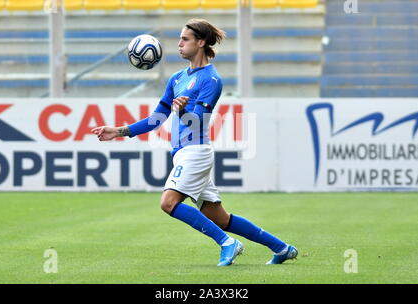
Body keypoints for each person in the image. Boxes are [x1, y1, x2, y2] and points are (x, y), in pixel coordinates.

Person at [91, 19, 297, 266]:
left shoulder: (211, 79)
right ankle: (282, 248)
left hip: (196, 152)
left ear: (200, 42)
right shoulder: (177, 78)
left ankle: (227, 243)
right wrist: (120, 131)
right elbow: (157, 118)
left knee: (168, 203)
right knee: (220, 218)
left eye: (185, 39)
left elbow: (198, 120)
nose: (178, 44)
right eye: (179, 38)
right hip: (182, 153)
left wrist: (184, 112)